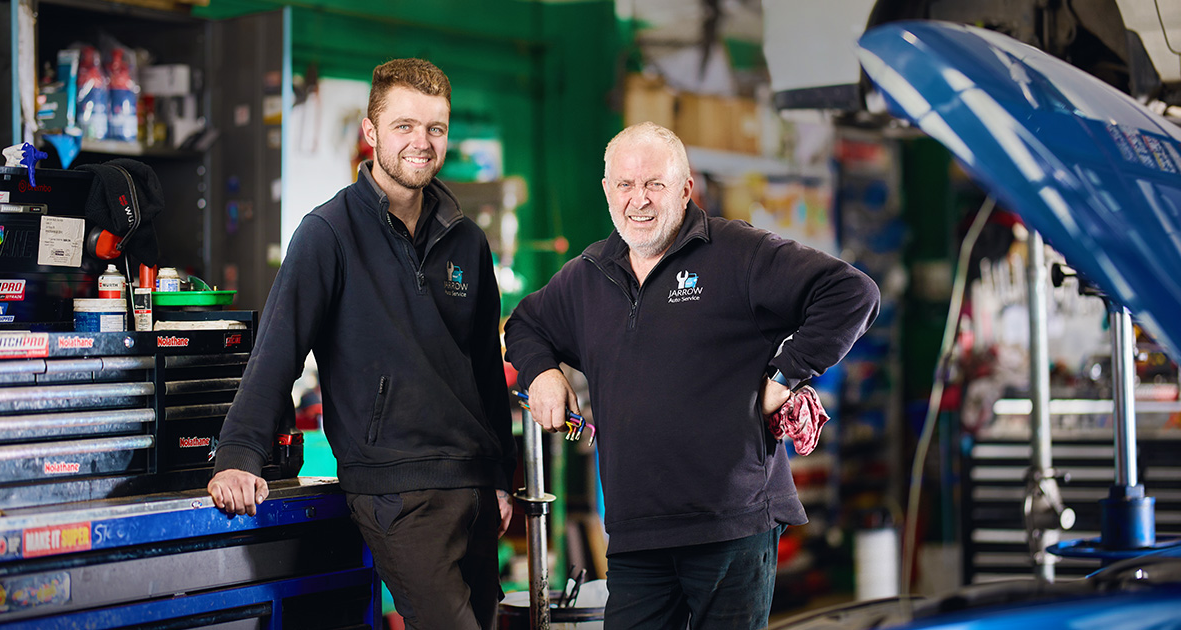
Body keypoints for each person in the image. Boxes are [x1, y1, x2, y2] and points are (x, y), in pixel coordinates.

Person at [504, 122, 880, 628]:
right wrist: (543, 374)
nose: (639, 199)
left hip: (731, 526)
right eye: (625, 184)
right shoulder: (588, 275)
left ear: (685, 189)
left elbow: (852, 293)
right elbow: (525, 325)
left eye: (654, 184)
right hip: (636, 532)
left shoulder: (738, 253)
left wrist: (785, 375)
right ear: (608, 190)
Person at [207, 58, 517, 629]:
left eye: (436, 128)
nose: (422, 142)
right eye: (405, 126)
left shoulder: (467, 241)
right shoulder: (327, 233)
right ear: (371, 132)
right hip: (396, 490)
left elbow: (484, 370)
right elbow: (278, 351)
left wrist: (500, 477)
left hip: (473, 486)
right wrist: (237, 456)